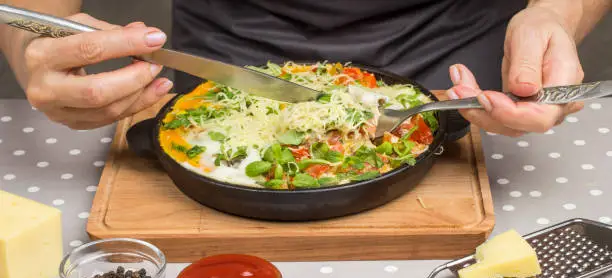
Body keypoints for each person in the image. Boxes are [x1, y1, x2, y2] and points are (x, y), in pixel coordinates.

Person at [0, 0, 609, 136]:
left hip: (469, 94)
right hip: (208, 96)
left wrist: (558, 13)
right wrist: (46, 51)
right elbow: (34, 11)